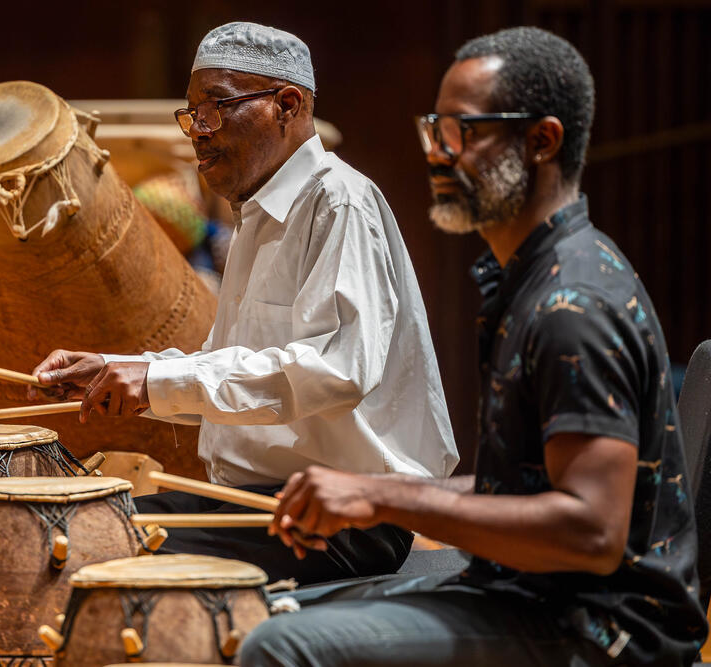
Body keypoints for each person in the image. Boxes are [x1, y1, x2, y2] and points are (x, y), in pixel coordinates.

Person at [241, 26, 708, 666]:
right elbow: (516, 496)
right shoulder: (530, 281)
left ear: (541, 140)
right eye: (435, 131)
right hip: (523, 594)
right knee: (261, 612)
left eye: (464, 133)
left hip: (600, 631)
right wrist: (363, 495)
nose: (439, 153)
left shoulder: (574, 304)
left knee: (279, 644)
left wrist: (382, 497)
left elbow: (591, 533)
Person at [30, 21, 458, 584]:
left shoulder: (339, 202)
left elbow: (334, 369)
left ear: (287, 104)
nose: (198, 131)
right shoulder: (255, 215)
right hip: (264, 504)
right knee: (68, 526)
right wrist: (122, 371)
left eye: (215, 108)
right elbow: (230, 360)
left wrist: (154, 382)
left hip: (347, 516)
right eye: (191, 115)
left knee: (90, 543)